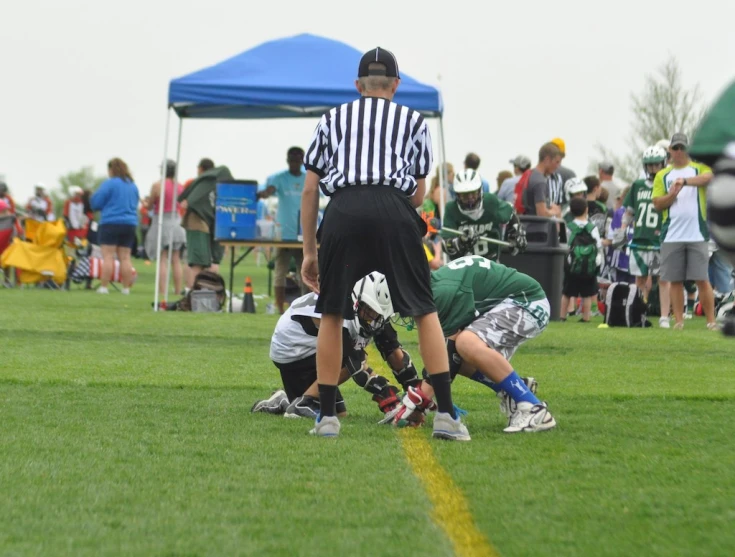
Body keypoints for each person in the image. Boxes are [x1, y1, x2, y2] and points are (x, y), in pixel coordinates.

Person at [301, 46, 467, 440]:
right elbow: (418, 195)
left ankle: (326, 417)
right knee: (425, 310)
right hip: (394, 209)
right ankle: (445, 415)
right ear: (396, 84)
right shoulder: (413, 120)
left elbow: (310, 191)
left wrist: (310, 250)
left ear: (358, 85)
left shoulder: (331, 119)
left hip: (343, 209)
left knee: (332, 312)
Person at [390, 255, 556, 433]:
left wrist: (420, 399)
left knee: (466, 343)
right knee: (461, 351)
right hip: (515, 302)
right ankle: (514, 389)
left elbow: (447, 355)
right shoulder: (437, 287)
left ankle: (533, 408)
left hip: (527, 302)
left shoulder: (442, 294)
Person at [251, 273, 421, 420]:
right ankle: (304, 402)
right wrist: (389, 398)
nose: (373, 317)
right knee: (350, 360)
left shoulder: (371, 312)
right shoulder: (340, 311)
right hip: (293, 353)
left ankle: (286, 399)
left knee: (340, 414)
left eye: (378, 313)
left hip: (312, 351)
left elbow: (394, 353)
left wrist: (417, 394)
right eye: (369, 310)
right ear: (356, 301)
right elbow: (355, 365)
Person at [652, 132, 717, 330]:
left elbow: (709, 177)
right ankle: (678, 320)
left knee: (702, 279)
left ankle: (711, 321)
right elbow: (657, 204)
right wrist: (672, 195)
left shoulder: (698, 168)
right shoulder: (662, 175)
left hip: (696, 233)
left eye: (683, 148)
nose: (679, 152)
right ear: (670, 150)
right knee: (675, 280)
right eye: (676, 148)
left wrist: (685, 181)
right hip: (672, 234)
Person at [617, 145, 671, 327]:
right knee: (640, 279)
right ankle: (638, 313)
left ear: (663, 164)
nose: (653, 169)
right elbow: (629, 211)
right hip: (640, 239)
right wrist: (622, 229)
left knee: (663, 279)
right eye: (650, 165)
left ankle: (664, 316)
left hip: (661, 239)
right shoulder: (638, 186)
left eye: (656, 165)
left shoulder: (667, 185)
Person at [257, 147, 308, 314]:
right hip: (283, 232)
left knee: (305, 271)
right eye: (291, 160)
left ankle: (306, 307)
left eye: (297, 160)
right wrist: (262, 194)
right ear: (287, 160)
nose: (294, 163)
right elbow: (270, 190)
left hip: (303, 231)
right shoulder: (280, 178)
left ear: (302, 161)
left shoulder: (308, 178)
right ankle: (279, 307)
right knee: (280, 271)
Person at [440, 168, 527, 261]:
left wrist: (516, 232)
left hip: (491, 263)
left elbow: (510, 212)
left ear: (480, 191)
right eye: (465, 195)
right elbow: (446, 245)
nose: (470, 199)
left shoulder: (490, 202)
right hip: (462, 267)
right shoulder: (451, 209)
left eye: (473, 194)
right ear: (457, 195)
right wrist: (462, 241)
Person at [90, 158, 140, 294]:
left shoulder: (110, 184)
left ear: (111, 169)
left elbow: (96, 202)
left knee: (108, 256)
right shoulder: (132, 185)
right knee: (125, 257)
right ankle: (125, 288)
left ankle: (104, 287)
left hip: (111, 222)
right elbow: (136, 203)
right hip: (129, 224)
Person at [178, 161, 231, 289]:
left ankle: (197, 291)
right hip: (202, 222)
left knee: (198, 261)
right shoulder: (218, 181)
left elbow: (187, 201)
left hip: (199, 221)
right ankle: (200, 292)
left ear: (201, 169)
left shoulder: (204, 182)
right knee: (201, 261)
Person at [146, 159, 187, 299]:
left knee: (163, 258)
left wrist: (145, 203)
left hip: (162, 221)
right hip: (177, 221)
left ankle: (162, 291)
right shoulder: (180, 186)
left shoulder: (157, 186)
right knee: (176, 258)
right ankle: (177, 290)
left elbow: (150, 205)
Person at [561, 198, 602, 322]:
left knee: (567, 293)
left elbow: (565, 246)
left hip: (572, 266)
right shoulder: (592, 228)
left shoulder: (569, 227)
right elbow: (598, 246)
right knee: (587, 294)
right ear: (587, 209)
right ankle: (586, 317)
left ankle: (562, 316)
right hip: (588, 266)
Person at [522, 143, 562, 217]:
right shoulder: (540, 182)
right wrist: (555, 211)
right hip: (536, 227)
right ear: (547, 160)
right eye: (557, 162)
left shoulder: (530, 174)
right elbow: (542, 214)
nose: (558, 166)